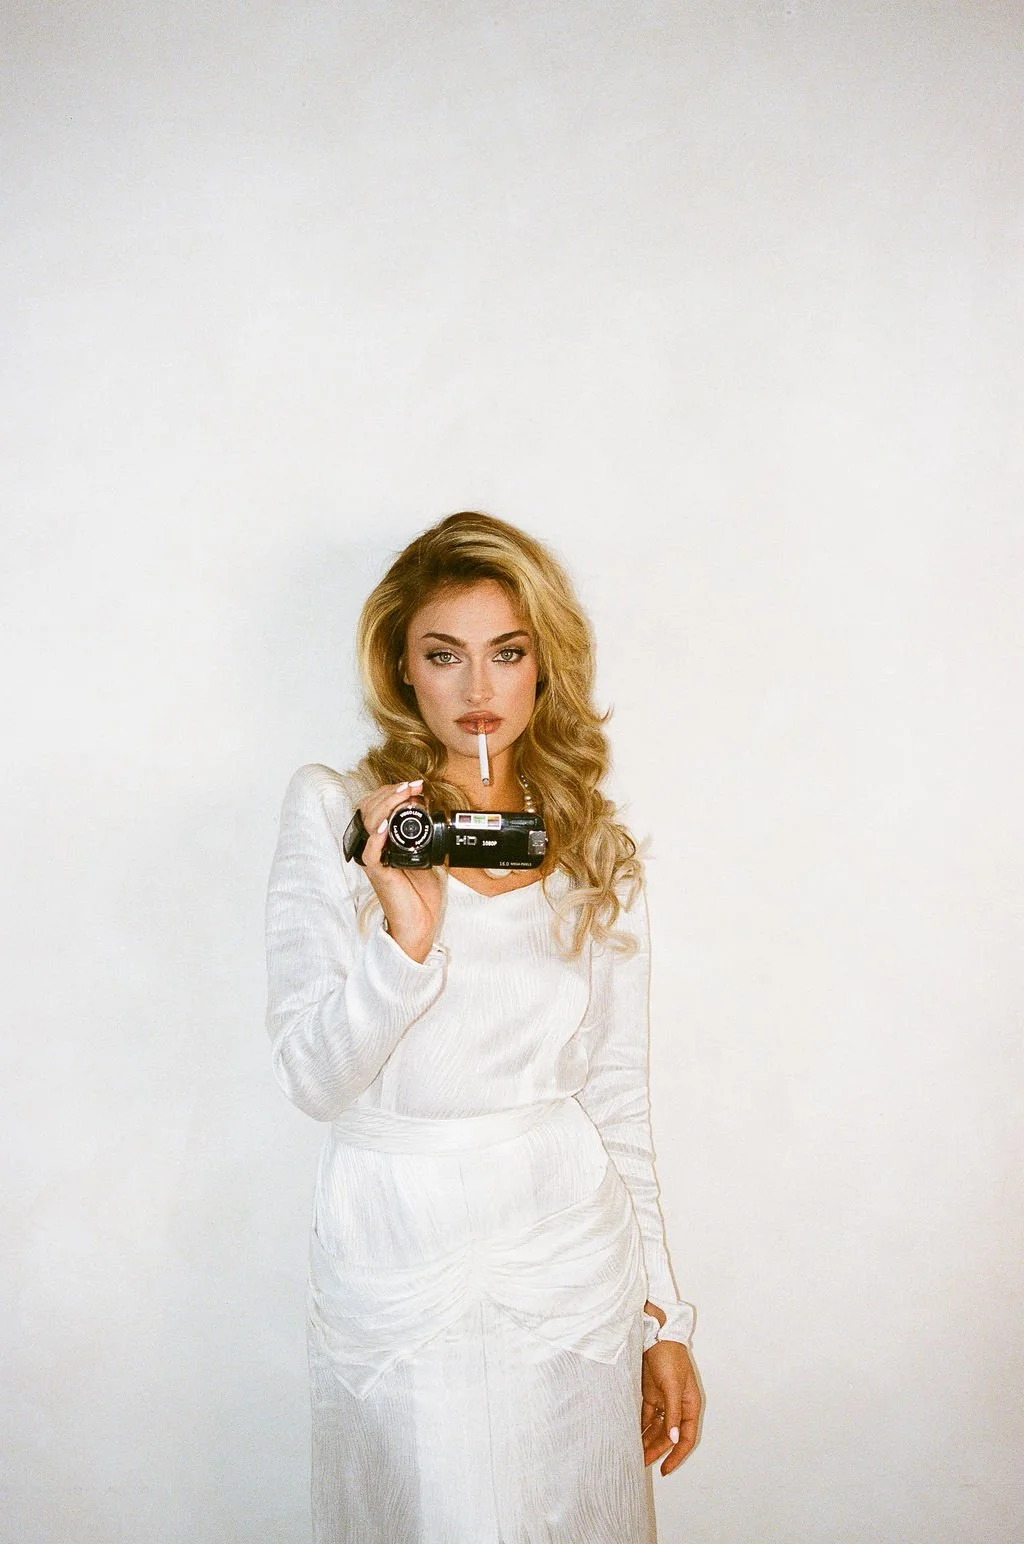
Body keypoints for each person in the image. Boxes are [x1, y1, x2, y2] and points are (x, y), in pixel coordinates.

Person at [265, 511, 701, 1544]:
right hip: (399, 1242)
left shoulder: (588, 843)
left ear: (542, 664)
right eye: (443, 654)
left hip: (567, 1248)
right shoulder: (338, 814)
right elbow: (312, 1077)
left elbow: (616, 1098)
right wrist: (403, 940)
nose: (477, 688)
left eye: (506, 652)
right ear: (401, 668)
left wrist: (663, 1319)